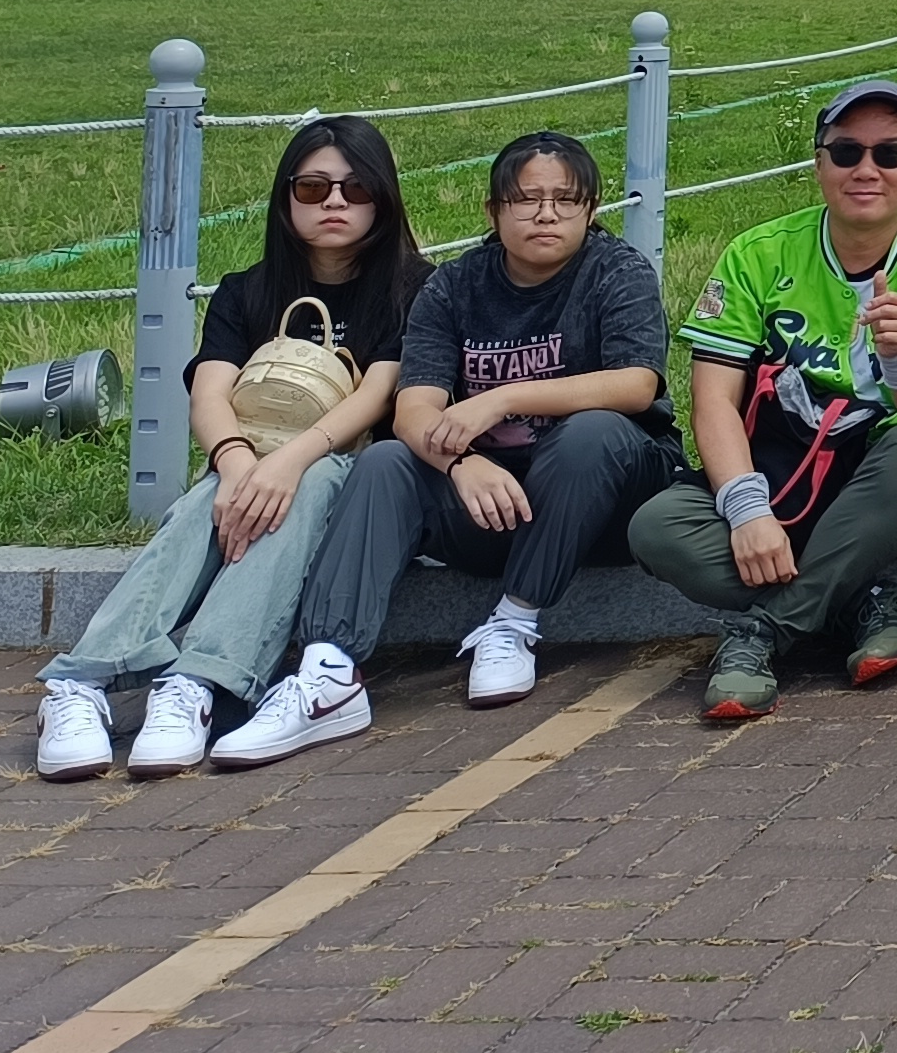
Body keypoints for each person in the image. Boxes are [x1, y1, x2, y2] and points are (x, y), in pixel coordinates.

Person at [212, 134, 685, 765]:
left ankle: (513, 622)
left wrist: (500, 399)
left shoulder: (617, 271)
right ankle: (329, 672)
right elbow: (413, 410)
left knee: (591, 432)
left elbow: (636, 384)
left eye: (565, 200)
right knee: (385, 461)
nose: (546, 214)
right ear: (493, 211)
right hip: (494, 502)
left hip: (605, 503)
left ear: (590, 209)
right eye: (526, 199)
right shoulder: (454, 285)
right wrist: (461, 464)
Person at [37, 117, 424, 781]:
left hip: (358, 480)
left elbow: (376, 396)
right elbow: (210, 393)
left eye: (355, 188)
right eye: (313, 187)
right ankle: (79, 683)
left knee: (304, 481)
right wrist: (239, 461)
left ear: (383, 198)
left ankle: (197, 684)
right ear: (286, 198)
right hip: (252, 462)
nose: (334, 201)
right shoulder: (247, 290)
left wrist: (286, 463)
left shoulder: (413, 287)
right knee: (218, 492)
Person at [628, 82, 897, 721]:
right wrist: (746, 511)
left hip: (881, 490)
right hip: (774, 474)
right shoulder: (757, 254)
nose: (866, 169)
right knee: (657, 528)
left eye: (890, 153)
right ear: (819, 163)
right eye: (846, 151)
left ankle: (763, 634)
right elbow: (712, 401)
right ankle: (861, 602)